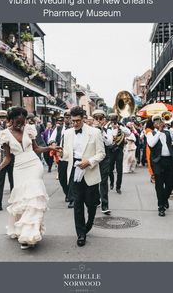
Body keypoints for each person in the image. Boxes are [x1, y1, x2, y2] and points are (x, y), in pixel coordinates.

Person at [0, 106, 59, 250]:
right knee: (23, 199)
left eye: (23, 121)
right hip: (18, 168)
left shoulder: (30, 129)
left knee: (34, 197)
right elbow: (7, 158)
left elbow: (36, 149)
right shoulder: (4, 135)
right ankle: (20, 229)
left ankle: (29, 235)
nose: (21, 124)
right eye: (17, 121)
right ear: (10, 120)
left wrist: (50, 148)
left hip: (34, 165)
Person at [62, 106, 105, 247]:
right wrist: (60, 154)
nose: (75, 124)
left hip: (90, 170)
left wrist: (89, 162)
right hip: (75, 170)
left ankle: (90, 222)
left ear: (84, 118)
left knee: (91, 203)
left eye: (78, 121)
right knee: (78, 203)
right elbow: (67, 155)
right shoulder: (67, 133)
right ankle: (80, 234)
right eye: (72, 121)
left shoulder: (95, 132)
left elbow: (101, 153)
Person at [146, 115, 173, 217]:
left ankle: (165, 199)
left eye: (161, 121)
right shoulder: (150, 133)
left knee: (170, 184)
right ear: (154, 124)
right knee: (159, 184)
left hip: (168, 160)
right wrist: (159, 131)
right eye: (157, 121)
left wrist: (169, 127)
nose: (159, 123)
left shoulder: (168, 132)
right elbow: (152, 144)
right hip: (157, 162)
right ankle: (161, 207)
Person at [49, 111, 73, 207]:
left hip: (72, 157)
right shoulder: (58, 128)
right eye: (66, 117)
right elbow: (51, 139)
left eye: (69, 117)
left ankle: (72, 198)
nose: (68, 119)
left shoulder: (75, 129)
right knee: (62, 178)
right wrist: (53, 143)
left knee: (71, 178)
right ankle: (67, 193)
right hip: (62, 156)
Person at [92, 109, 112, 215]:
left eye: (101, 119)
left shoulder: (107, 130)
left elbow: (109, 142)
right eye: (96, 119)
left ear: (104, 120)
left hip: (105, 159)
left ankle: (105, 205)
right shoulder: (90, 131)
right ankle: (96, 200)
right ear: (93, 120)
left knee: (104, 182)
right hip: (94, 159)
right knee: (94, 181)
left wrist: (101, 131)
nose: (99, 121)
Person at [108, 112, 130, 194]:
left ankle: (118, 187)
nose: (113, 122)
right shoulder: (107, 128)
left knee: (119, 170)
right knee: (110, 169)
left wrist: (120, 127)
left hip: (119, 151)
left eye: (115, 120)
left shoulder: (121, 127)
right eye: (112, 120)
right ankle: (112, 181)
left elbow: (128, 133)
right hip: (110, 151)